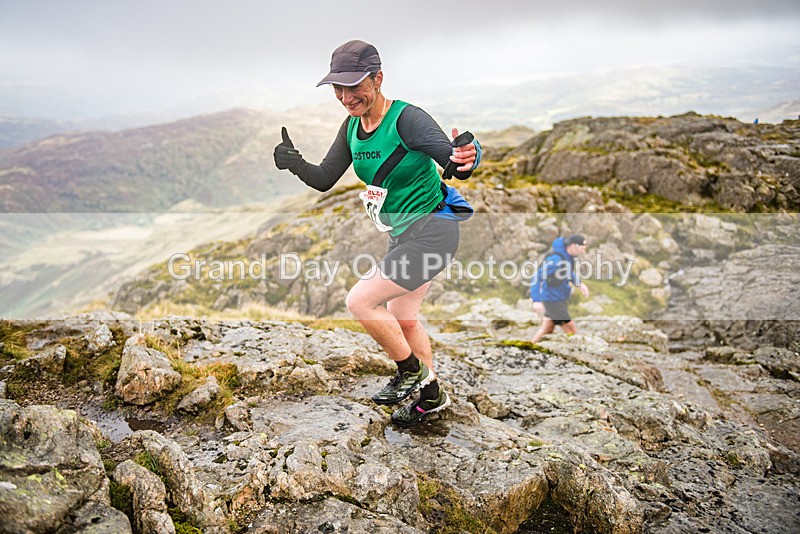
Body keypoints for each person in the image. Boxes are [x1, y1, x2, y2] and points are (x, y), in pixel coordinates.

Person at [273, 40, 481, 426]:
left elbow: (453, 159)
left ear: (378, 78)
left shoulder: (406, 120)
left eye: (355, 86)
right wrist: (295, 163)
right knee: (404, 317)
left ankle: (410, 371)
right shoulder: (352, 126)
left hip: (433, 232)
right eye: (339, 89)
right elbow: (323, 179)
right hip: (403, 236)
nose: (347, 97)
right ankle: (432, 395)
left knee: (360, 301)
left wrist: (467, 158)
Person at [530, 234, 589, 343]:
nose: (583, 252)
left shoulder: (568, 257)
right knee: (571, 329)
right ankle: (578, 353)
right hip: (553, 300)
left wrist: (579, 283)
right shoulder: (556, 260)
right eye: (582, 249)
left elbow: (567, 272)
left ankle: (529, 348)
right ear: (573, 246)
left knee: (546, 329)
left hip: (559, 298)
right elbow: (536, 277)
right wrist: (536, 300)